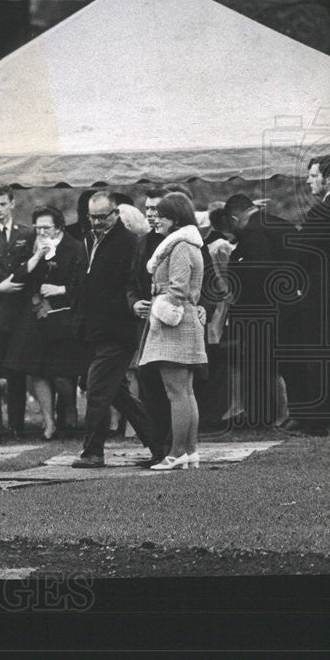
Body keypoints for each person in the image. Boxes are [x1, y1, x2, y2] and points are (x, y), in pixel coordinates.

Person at [71, 191, 153, 468]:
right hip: (94, 331)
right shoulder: (90, 242)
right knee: (117, 394)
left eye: (102, 217)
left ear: (116, 214)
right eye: (92, 217)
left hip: (116, 331)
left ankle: (92, 451)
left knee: (97, 389)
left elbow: (131, 285)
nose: (96, 222)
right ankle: (160, 442)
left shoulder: (129, 244)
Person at [137, 193, 208, 470]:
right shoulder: (189, 244)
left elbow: (177, 289)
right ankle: (190, 450)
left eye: (162, 215)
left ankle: (178, 452)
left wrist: (160, 309)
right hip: (184, 321)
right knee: (185, 392)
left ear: (175, 219)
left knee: (177, 392)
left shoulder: (180, 246)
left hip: (174, 322)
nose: (158, 220)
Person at [4, 207, 87, 441]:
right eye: (37, 227)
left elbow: (83, 283)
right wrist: (38, 255)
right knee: (37, 372)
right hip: (35, 316)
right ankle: (48, 421)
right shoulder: (32, 244)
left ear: (59, 228)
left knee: (61, 373)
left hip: (63, 315)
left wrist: (61, 289)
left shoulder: (74, 248)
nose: (41, 231)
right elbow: (18, 276)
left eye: (46, 228)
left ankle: (69, 410)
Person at [222, 193, 301, 427]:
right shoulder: (279, 224)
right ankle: (291, 413)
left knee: (272, 364)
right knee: (288, 363)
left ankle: (280, 414)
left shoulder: (253, 232)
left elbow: (258, 273)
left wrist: (241, 298)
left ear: (235, 218)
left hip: (266, 310)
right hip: (292, 303)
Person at [286, 155, 330, 433]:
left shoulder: (321, 212)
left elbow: (300, 254)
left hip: (321, 297)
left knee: (321, 357)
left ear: (328, 179)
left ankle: (323, 419)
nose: (308, 181)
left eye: (312, 175)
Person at [0, 185, 33, 444]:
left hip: (21, 312)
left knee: (17, 371)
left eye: (3, 204)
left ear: (12, 204)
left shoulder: (27, 233)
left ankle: (17, 424)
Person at [126, 187, 172, 466]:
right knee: (148, 382)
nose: (152, 215)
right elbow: (131, 282)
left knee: (173, 387)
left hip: (172, 322)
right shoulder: (142, 243)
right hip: (147, 325)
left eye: (157, 209)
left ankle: (174, 446)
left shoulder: (182, 241)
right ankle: (158, 448)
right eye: (148, 210)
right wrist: (134, 303)